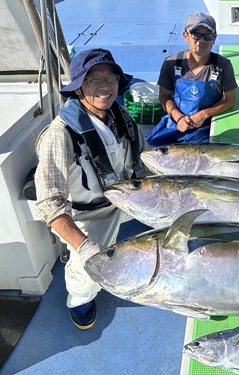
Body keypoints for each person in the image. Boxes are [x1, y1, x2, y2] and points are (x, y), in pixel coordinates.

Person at [34, 48, 146, 330]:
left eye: (111, 78)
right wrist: (83, 247)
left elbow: (144, 153)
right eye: (94, 78)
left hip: (125, 196)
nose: (104, 86)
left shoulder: (119, 113)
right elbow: (50, 203)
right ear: (78, 87)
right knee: (88, 273)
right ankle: (79, 299)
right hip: (90, 214)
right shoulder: (60, 135)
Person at [146, 12, 238, 147]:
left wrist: (203, 114)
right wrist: (179, 117)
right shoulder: (171, 63)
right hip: (174, 121)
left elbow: (230, 100)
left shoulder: (223, 66)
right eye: (195, 34)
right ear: (185, 36)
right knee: (150, 149)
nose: (201, 40)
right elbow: (164, 97)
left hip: (204, 126)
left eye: (208, 35)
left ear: (214, 38)